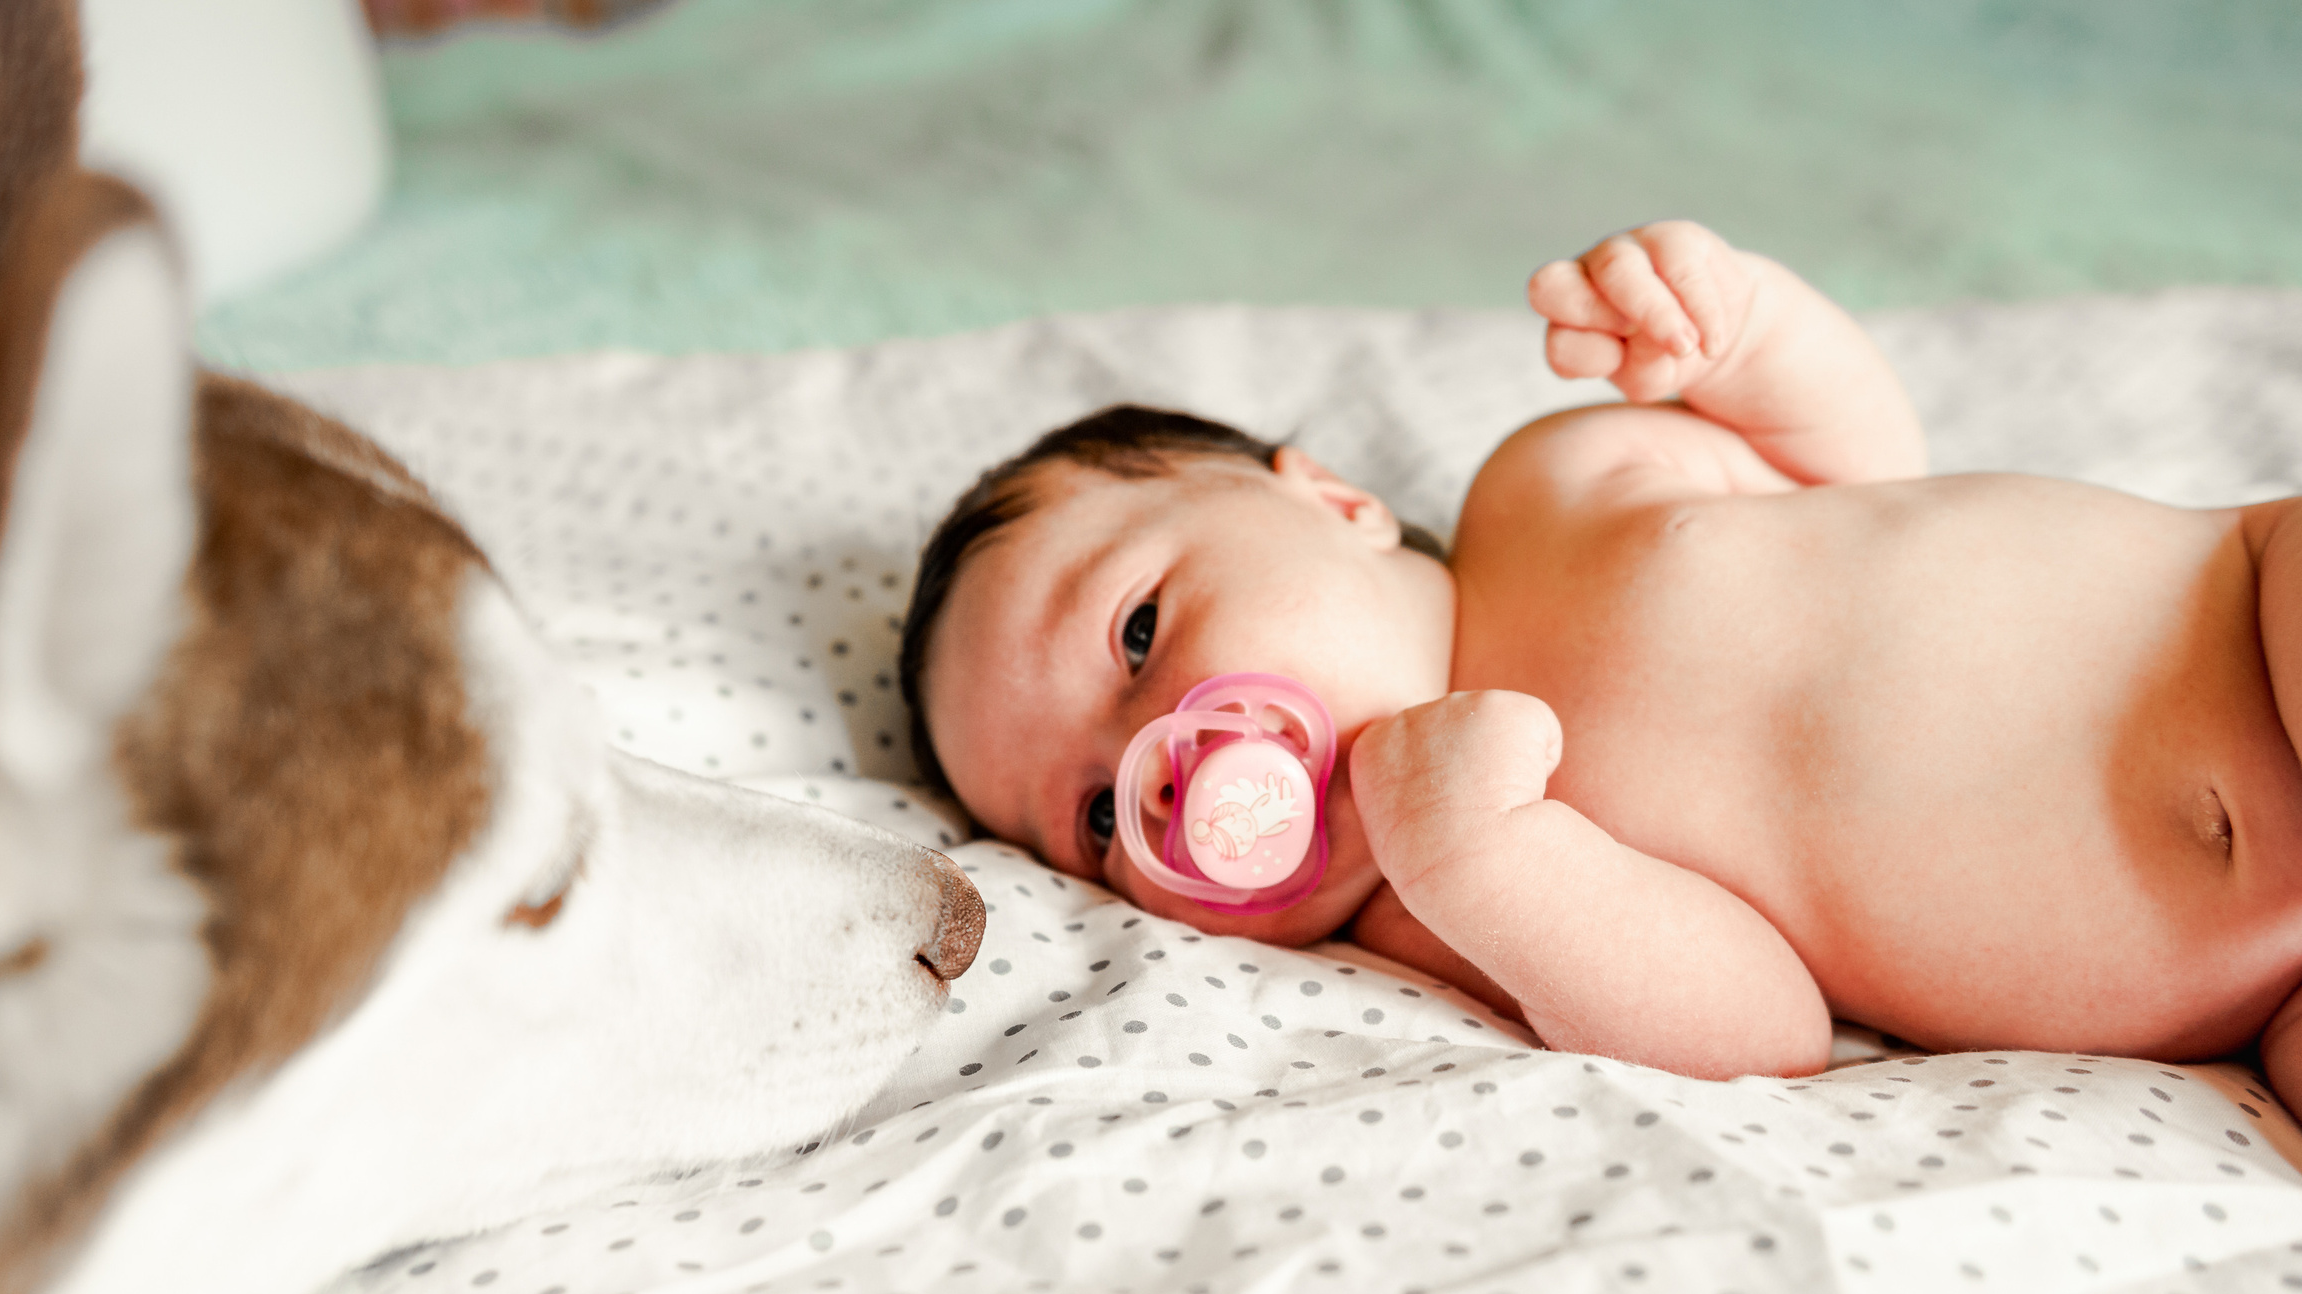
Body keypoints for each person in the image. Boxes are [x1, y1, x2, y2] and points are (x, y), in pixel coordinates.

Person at [898, 220, 2302, 1127]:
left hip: (2249, 611)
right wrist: (1485, 855)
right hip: (2255, 993)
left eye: (1140, 636)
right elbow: (1769, 1032)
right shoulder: (1432, 917)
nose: (1163, 762)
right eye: (1092, 818)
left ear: (1328, 500)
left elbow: (1865, 474)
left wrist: (1745, 332)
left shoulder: (1549, 489)